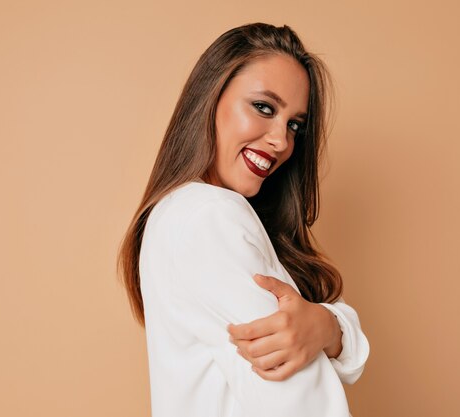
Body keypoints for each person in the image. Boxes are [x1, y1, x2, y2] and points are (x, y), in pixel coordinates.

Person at [117, 22, 370, 417]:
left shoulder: (187, 212)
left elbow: (343, 350)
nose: (281, 141)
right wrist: (330, 330)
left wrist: (326, 324)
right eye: (264, 108)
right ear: (211, 99)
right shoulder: (209, 215)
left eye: (294, 126)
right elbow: (298, 395)